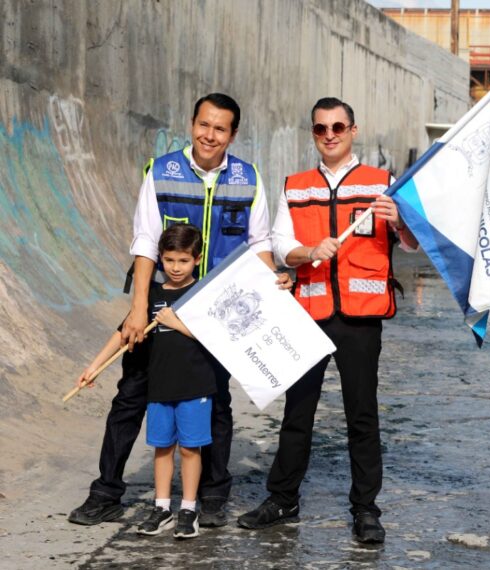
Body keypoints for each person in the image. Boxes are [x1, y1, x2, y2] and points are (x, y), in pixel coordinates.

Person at [69, 93, 289, 528]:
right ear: (191, 124)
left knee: (216, 403)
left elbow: (259, 242)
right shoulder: (162, 171)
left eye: (220, 128)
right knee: (131, 399)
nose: (210, 135)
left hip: (215, 315)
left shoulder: (248, 178)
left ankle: (211, 495)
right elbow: (144, 241)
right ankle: (106, 493)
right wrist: (137, 310)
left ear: (233, 134)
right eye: (203, 125)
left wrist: (274, 280)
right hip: (157, 307)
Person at [238, 97, 418, 544]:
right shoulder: (296, 187)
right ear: (314, 133)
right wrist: (308, 252)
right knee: (298, 412)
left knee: (362, 416)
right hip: (308, 312)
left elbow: (414, 244)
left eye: (338, 126)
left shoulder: (383, 184)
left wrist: (399, 222)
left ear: (353, 130)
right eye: (321, 128)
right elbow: (280, 244)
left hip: (361, 317)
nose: (330, 134)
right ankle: (282, 498)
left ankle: (365, 510)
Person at [77, 224, 219, 539]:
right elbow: (123, 332)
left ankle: (189, 510)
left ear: (196, 259)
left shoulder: (204, 294)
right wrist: (94, 367)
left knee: (191, 449)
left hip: (195, 387)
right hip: (159, 388)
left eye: (183, 261)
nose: (176, 268)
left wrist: (176, 324)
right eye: (169, 261)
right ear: (160, 260)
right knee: (162, 448)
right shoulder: (151, 296)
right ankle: (162, 507)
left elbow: (218, 339)